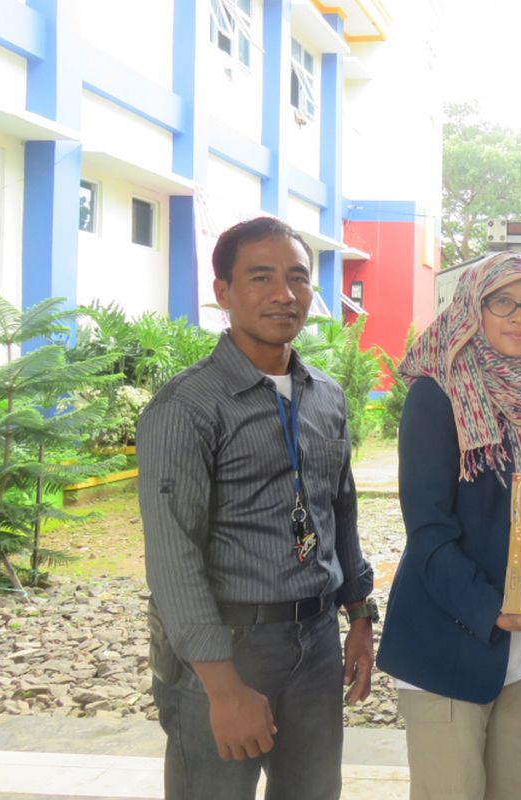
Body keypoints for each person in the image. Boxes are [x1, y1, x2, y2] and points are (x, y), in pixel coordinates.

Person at [138, 216, 376, 800]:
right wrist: (222, 689)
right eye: (261, 277)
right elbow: (173, 557)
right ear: (223, 292)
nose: (285, 294)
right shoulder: (186, 407)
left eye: (298, 278)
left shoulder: (326, 396)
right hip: (228, 646)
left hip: (316, 639)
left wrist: (359, 617)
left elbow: (339, 512)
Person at [376, 251, 521, 800]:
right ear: (473, 307)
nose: (520, 315)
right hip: (452, 639)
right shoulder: (437, 393)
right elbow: (428, 531)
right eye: (503, 301)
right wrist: (497, 611)